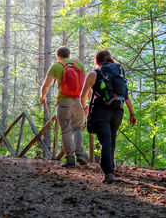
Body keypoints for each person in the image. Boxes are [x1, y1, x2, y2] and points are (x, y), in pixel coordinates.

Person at [80, 49, 136, 183]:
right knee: (111, 140)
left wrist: (85, 109)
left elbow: (82, 96)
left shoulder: (94, 74)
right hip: (118, 112)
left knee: (105, 142)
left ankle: (109, 173)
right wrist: (132, 114)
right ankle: (110, 170)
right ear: (110, 59)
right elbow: (126, 96)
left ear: (97, 61)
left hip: (100, 112)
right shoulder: (119, 73)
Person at [39, 46, 88, 167]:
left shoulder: (56, 66)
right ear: (69, 55)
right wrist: (86, 103)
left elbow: (46, 85)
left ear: (58, 56)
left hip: (64, 102)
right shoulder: (79, 65)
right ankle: (80, 155)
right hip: (78, 102)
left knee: (65, 131)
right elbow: (87, 85)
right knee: (77, 129)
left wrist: (42, 96)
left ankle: (70, 160)